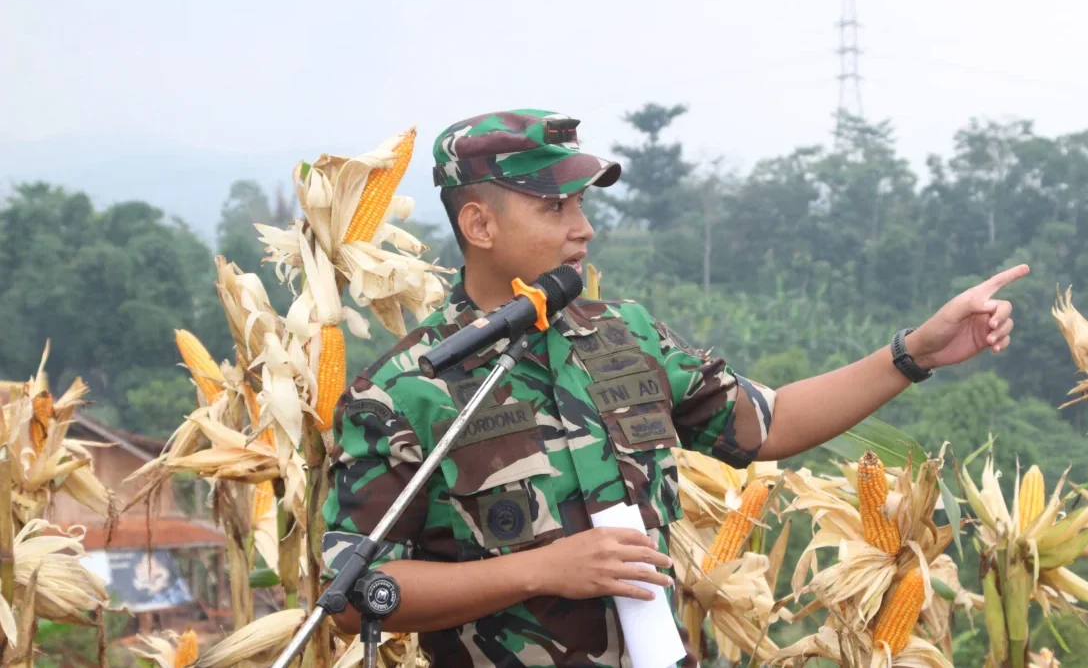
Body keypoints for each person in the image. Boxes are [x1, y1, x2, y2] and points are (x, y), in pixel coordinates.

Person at [321, 108, 1028, 667]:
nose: (584, 229)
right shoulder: (407, 390)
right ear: (479, 223)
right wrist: (542, 570)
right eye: (556, 208)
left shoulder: (623, 335)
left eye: (583, 205)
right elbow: (352, 592)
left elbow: (770, 421)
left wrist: (915, 351)